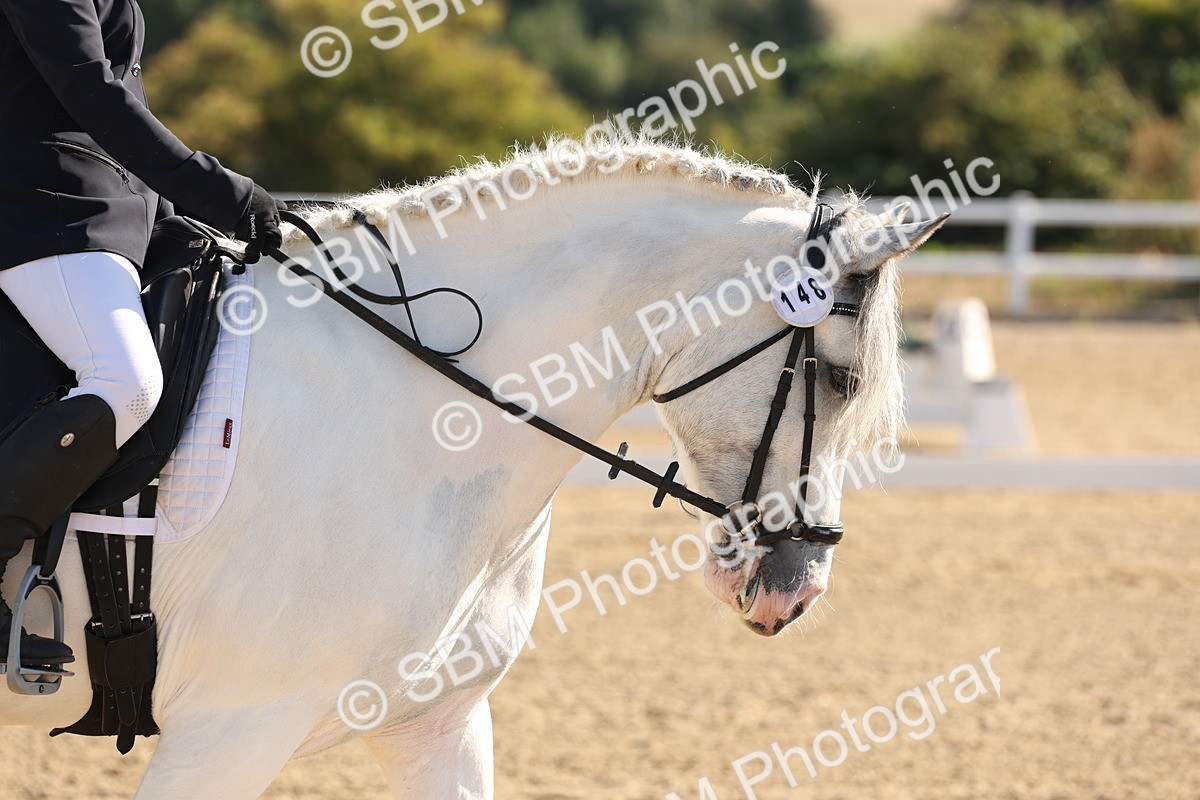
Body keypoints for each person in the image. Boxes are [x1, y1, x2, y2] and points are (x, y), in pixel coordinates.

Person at [0, 0, 286, 668]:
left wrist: (172, 208)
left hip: (112, 210)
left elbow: (119, 92)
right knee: (124, 380)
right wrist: (218, 189)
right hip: (46, 209)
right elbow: (88, 89)